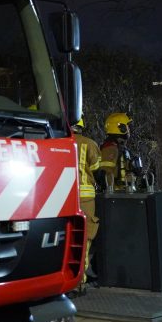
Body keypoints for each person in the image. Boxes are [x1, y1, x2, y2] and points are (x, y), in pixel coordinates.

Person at [71, 116, 101, 296]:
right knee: (85, 237)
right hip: (86, 198)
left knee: (70, 237)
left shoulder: (59, 141)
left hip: (65, 195)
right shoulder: (89, 143)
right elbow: (96, 167)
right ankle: (80, 281)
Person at [99, 112, 139, 191]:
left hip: (122, 192)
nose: (129, 129)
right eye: (127, 126)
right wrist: (111, 193)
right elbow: (106, 175)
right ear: (121, 128)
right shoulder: (110, 148)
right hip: (116, 195)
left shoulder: (120, 148)